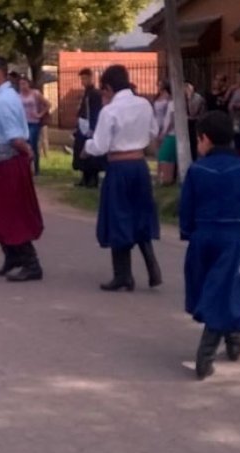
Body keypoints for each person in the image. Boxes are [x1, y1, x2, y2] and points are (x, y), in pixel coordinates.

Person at [179, 110, 240, 381]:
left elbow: (186, 209)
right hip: (233, 238)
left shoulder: (197, 170)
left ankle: (229, 341)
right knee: (227, 289)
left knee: (211, 288)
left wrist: (189, 234)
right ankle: (208, 353)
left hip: (202, 237)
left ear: (205, 139)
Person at [82, 64, 162, 292]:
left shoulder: (110, 111)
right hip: (139, 165)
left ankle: (123, 274)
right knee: (140, 212)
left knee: (118, 216)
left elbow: (100, 145)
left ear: (108, 87)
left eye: (103, 91)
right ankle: (151, 265)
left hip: (119, 166)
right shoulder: (144, 104)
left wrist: (86, 147)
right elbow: (153, 132)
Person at [0, 55, 44, 282]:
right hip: (4, 159)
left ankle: (31, 263)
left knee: (13, 213)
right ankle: (12, 256)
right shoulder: (3, 97)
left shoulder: (4, 100)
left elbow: (14, 137)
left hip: (11, 161)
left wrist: (28, 151)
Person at [73, 68, 104, 188]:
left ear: (91, 78)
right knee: (80, 151)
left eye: (85, 78)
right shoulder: (85, 93)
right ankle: (84, 177)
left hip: (90, 127)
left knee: (91, 153)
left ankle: (93, 179)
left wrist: (93, 127)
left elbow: (95, 111)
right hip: (82, 125)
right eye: (81, 79)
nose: (83, 81)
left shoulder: (95, 93)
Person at [18, 76, 51, 176]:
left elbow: (48, 104)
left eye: (24, 84)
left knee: (32, 144)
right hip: (23, 123)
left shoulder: (35, 93)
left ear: (29, 84)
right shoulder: (18, 96)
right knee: (24, 145)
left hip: (34, 122)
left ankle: (36, 168)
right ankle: (26, 167)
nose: (23, 86)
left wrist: (40, 114)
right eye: (20, 84)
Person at [156, 83, 177, 186]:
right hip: (168, 133)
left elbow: (172, 120)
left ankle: (166, 178)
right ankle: (163, 178)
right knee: (166, 156)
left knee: (165, 156)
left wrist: (165, 132)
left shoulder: (173, 103)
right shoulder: (171, 102)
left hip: (171, 134)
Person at [186, 81, 206, 161]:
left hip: (196, 123)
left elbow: (192, 112)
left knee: (194, 144)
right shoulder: (182, 97)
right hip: (187, 123)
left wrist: (190, 97)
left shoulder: (198, 98)